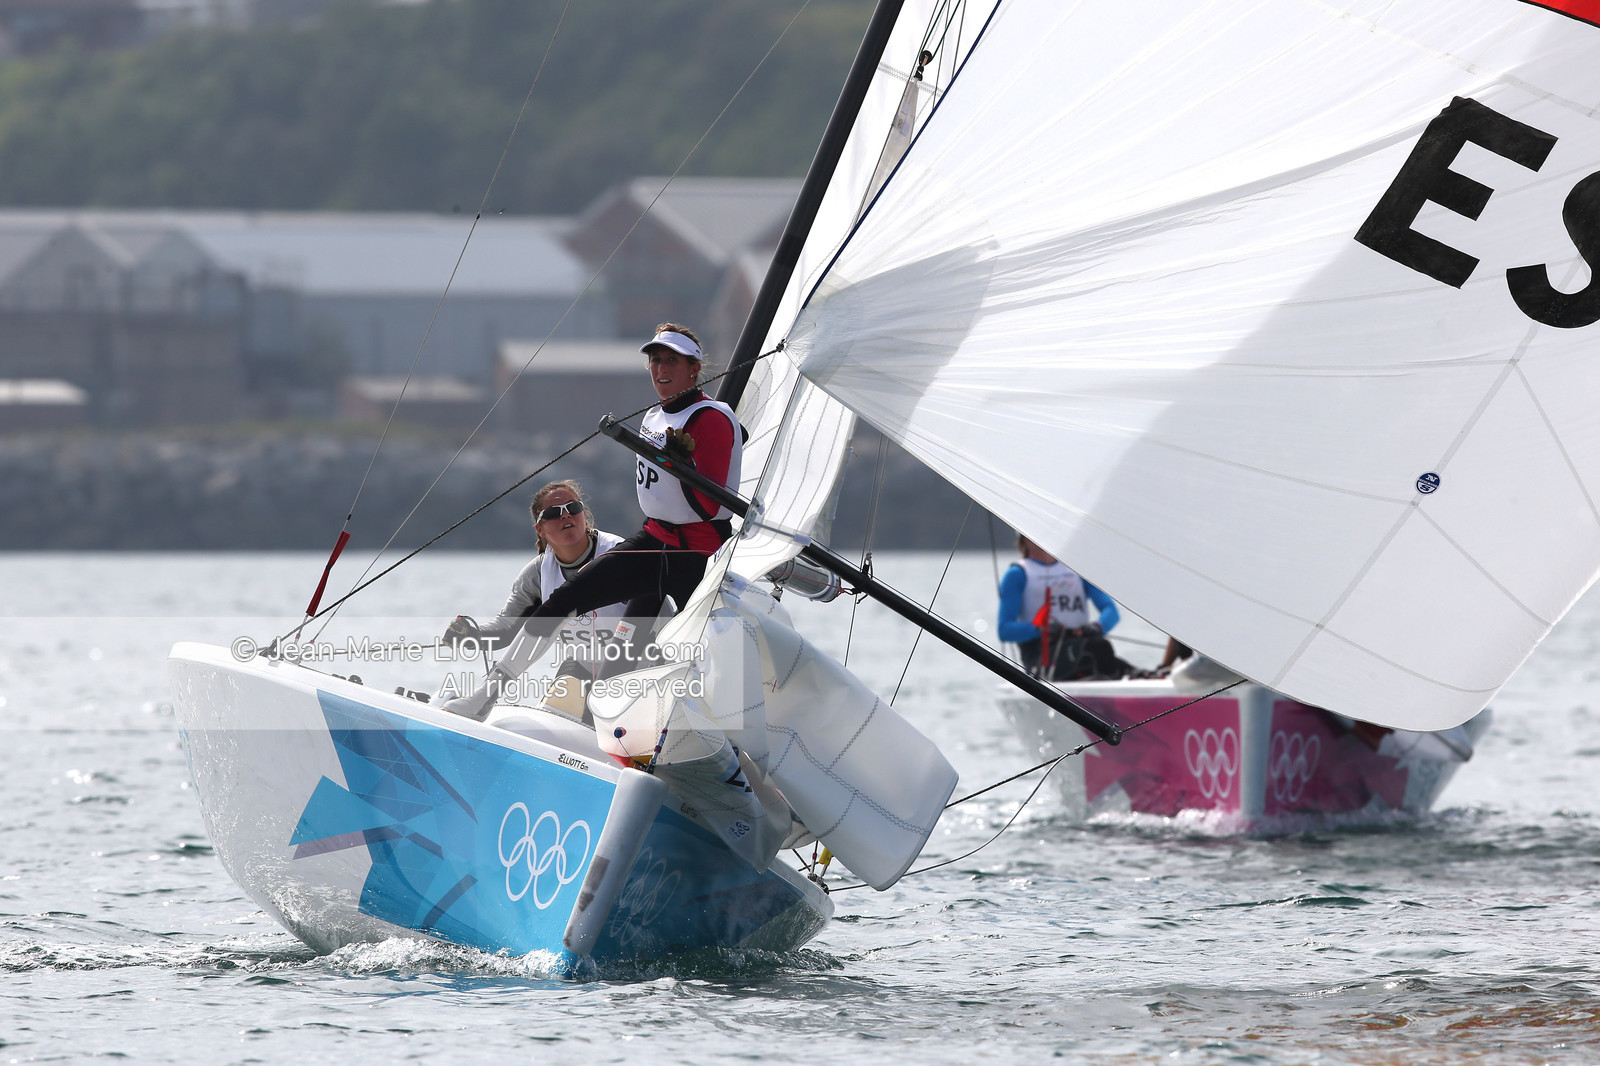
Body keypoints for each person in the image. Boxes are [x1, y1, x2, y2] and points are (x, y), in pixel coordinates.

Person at [442, 323, 742, 719]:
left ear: (694, 367)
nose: (660, 368)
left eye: (671, 360)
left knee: (702, 653)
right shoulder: (654, 416)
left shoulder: (712, 419)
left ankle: (718, 739)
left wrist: (680, 463)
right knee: (560, 605)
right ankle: (483, 699)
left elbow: (707, 506)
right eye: (654, 360)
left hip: (698, 553)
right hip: (653, 544)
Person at [440, 479, 626, 665]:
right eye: (554, 512)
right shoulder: (537, 574)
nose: (565, 515)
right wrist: (471, 634)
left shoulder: (619, 552)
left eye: (573, 507)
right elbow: (507, 628)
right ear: (540, 529)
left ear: (583, 516)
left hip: (640, 664)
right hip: (582, 666)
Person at [997, 535, 1133, 680]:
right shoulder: (1017, 574)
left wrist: (1097, 627)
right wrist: (1040, 629)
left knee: (1125, 667)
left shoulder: (1076, 570)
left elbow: (1110, 610)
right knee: (1100, 647)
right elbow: (1004, 630)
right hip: (1042, 656)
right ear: (1024, 540)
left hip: (1083, 645)